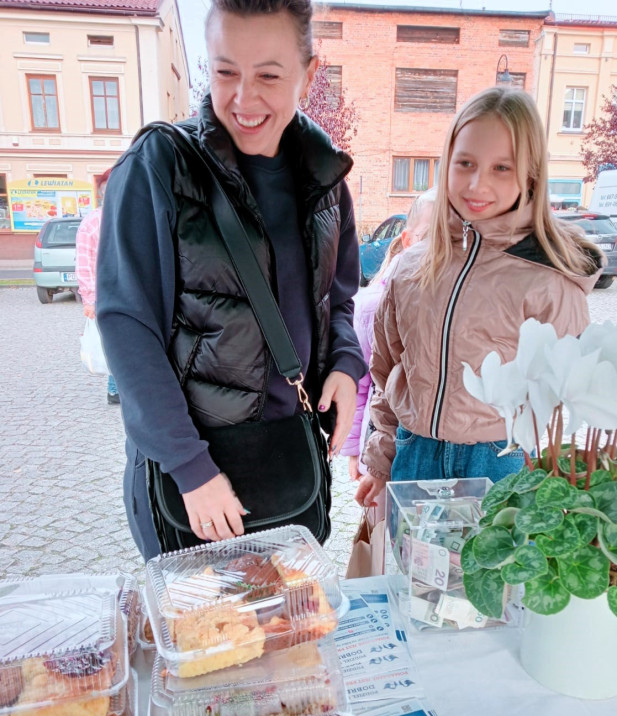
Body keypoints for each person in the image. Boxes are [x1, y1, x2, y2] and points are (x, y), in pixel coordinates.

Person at [97, 0, 366, 560]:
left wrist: (343, 363)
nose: (243, 99)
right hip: (194, 481)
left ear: (309, 73)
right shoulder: (159, 166)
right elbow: (128, 327)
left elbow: (338, 300)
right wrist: (191, 470)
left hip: (290, 462)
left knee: (289, 637)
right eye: (225, 72)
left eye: (269, 75)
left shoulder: (325, 178)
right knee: (207, 640)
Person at [355, 87, 604, 509]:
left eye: (501, 168)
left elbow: (560, 404)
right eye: (465, 163)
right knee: (414, 575)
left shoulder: (549, 281)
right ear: (447, 162)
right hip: (414, 457)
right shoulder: (412, 268)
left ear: (529, 175)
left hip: (501, 465)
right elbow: (389, 374)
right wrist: (381, 462)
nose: (477, 183)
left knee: (493, 578)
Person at [341, 189, 436, 482]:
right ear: (407, 241)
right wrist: (355, 451)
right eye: (430, 236)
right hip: (383, 440)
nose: (440, 248)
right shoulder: (372, 305)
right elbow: (359, 384)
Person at [75, 168, 119, 405]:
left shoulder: (136, 216)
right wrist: (89, 300)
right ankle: (115, 389)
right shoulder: (93, 223)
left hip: (135, 294)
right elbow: (84, 264)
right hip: (107, 296)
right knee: (113, 342)